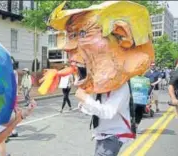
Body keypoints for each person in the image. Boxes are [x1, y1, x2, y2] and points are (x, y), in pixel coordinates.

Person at [44, 1, 154, 155]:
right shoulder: (103, 86)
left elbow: (108, 112)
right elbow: (96, 109)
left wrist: (85, 99)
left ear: (122, 33)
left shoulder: (120, 86)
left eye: (82, 33)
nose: (67, 47)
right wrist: (84, 103)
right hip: (102, 136)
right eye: (71, 36)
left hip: (113, 137)